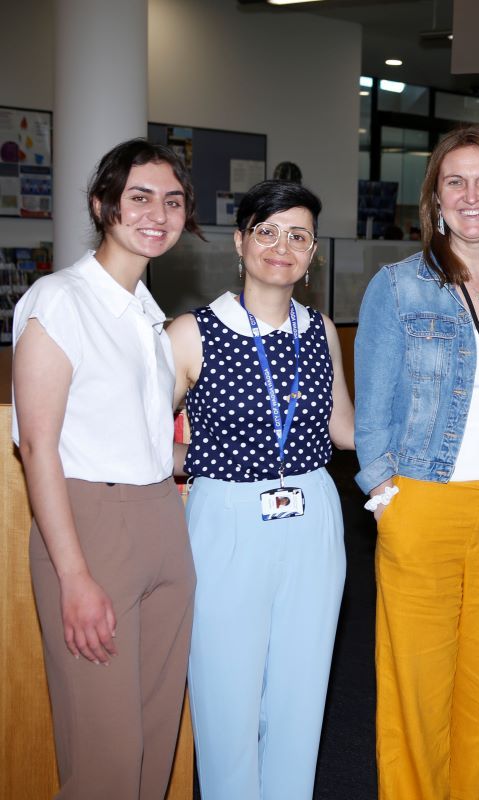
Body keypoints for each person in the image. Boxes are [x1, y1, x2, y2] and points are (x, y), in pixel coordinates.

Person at [355, 123, 479, 800]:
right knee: (416, 688)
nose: (472, 195)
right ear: (435, 198)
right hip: (422, 499)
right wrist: (386, 499)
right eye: (455, 181)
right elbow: (371, 411)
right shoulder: (398, 287)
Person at [12, 138, 201, 798]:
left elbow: (148, 446)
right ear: (103, 205)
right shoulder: (59, 300)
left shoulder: (150, 319)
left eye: (173, 201)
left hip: (162, 523)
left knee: (152, 748)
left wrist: (234, 451)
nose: (159, 213)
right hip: (91, 529)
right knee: (107, 762)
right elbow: (37, 446)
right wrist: (74, 575)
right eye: (140, 197)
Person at [166, 179, 355, 798]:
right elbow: (141, 442)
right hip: (226, 514)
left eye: (298, 235)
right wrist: (199, 458)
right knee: (226, 695)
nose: (283, 246)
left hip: (314, 513)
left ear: (313, 252)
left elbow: (345, 430)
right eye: (268, 232)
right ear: (241, 242)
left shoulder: (321, 330)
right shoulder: (191, 333)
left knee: (302, 694)